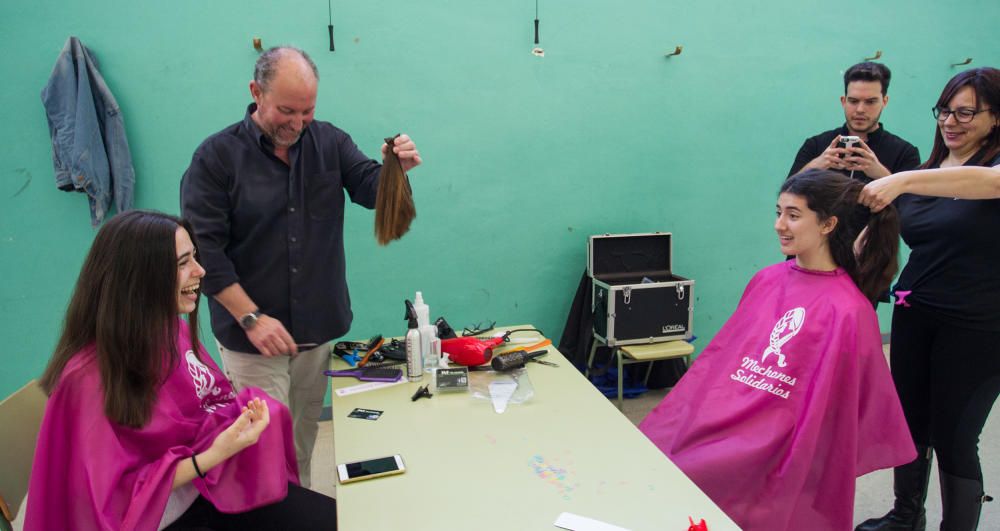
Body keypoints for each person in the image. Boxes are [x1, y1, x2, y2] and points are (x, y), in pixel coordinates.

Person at [180, 46, 422, 487]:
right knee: (263, 451)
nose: (296, 123)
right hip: (250, 338)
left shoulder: (330, 142)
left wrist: (395, 167)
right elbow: (205, 255)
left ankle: (297, 509)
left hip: (314, 333)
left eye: (307, 111)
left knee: (300, 442)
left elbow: (370, 189)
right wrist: (250, 317)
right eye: (286, 111)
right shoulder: (215, 159)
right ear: (256, 93)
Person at [25, 210, 337, 530]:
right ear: (140, 277)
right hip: (158, 518)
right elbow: (117, 494)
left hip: (203, 490)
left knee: (342, 519)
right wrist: (213, 455)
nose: (200, 270)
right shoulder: (87, 380)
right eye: (183, 262)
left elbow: (203, 410)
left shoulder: (169, 329)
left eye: (195, 258)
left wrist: (240, 421)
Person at [638, 170, 915, 530]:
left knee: (699, 471)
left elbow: (833, 412)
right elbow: (722, 363)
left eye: (794, 215)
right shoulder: (767, 279)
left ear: (829, 224)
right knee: (651, 448)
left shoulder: (848, 310)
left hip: (779, 440)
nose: (779, 225)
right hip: (728, 415)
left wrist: (764, 440)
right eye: (778, 212)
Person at [854, 67, 1000, 531]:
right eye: (944, 111)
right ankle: (905, 516)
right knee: (909, 423)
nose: (950, 122)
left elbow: (990, 185)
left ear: (996, 118)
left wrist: (901, 181)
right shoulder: (935, 168)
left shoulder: (988, 172)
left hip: (979, 326)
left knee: (955, 436)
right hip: (917, 314)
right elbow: (906, 224)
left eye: (966, 113)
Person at [789, 62, 920, 182]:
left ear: (884, 102)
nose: (860, 109)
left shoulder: (905, 153)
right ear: (843, 101)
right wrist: (814, 167)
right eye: (853, 101)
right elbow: (786, 199)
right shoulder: (816, 146)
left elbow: (914, 205)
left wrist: (882, 175)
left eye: (870, 102)